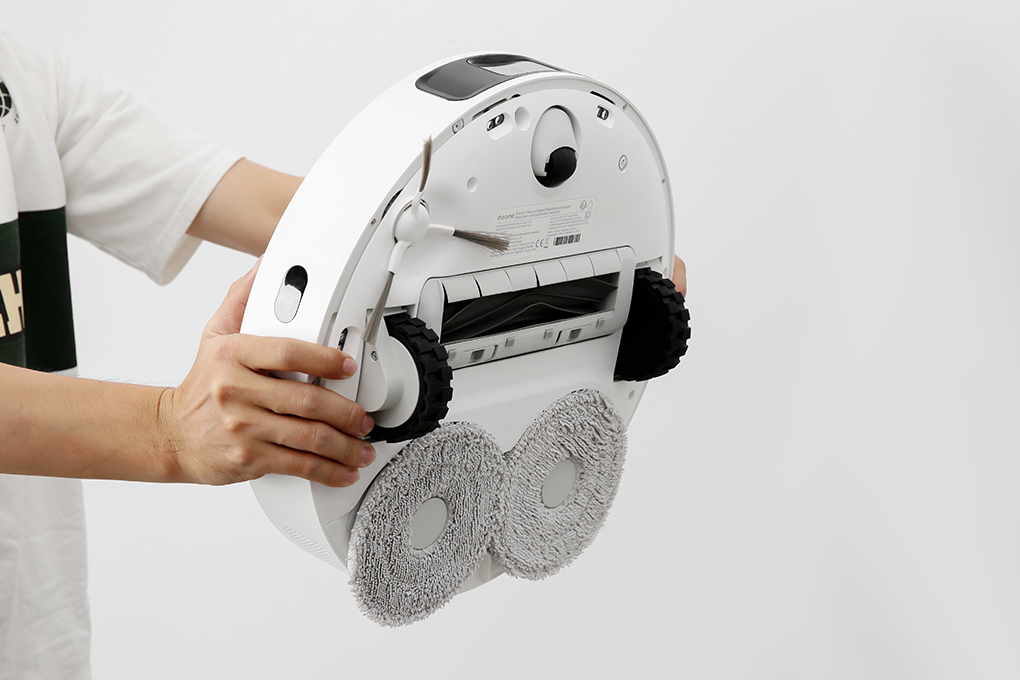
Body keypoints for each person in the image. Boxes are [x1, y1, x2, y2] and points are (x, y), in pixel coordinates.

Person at [0, 32, 688, 679]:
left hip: (37, 626)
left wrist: (576, 245)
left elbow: (327, 221)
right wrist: (167, 429)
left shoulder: (25, 78)